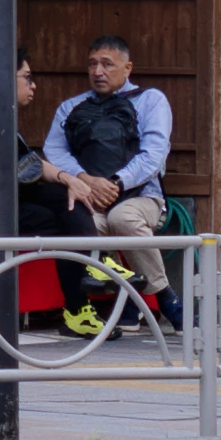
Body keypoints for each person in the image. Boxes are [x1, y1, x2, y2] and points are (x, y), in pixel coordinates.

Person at [35, 36, 176, 334]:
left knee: (122, 218)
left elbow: (154, 153)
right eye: (92, 64)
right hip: (90, 196)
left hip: (142, 196)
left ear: (127, 68)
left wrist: (116, 183)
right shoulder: (71, 107)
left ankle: (164, 297)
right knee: (80, 227)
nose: (98, 71)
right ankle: (106, 303)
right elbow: (55, 151)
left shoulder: (151, 100)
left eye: (107, 64)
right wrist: (85, 181)